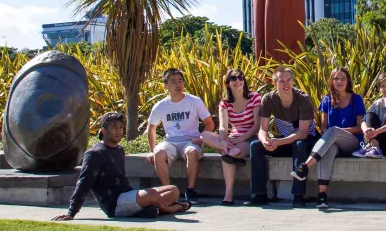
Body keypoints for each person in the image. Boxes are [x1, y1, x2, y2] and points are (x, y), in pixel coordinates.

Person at [52, 112, 190, 222]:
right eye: (113, 128)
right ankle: (168, 209)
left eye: (120, 127)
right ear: (103, 131)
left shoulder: (119, 150)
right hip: (114, 203)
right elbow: (84, 183)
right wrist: (72, 212)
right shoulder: (95, 154)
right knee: (152, 194)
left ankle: (150, 209)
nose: (118, 131)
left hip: (128, 195)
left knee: (173, 190)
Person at [290, 67, 365, 209]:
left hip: (352, 142)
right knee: (328, 151)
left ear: (348, 80)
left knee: (334, 131)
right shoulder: (327, 100)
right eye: (336, 78)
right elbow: (323, 126)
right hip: (333, 142)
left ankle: (306, 166)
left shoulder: (357, 99)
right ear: (332, 81)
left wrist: (337, 132)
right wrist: (331, 134)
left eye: (343, 78)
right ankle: (322, 196)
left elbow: (359, 127)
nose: (340, 81)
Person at [246, 66, 319, 208]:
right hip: (285, 140)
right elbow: (262, 129)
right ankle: (259, 195)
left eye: (289, 80)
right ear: (274, 82)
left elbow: (303, 133)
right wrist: (265, 140)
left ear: (293, 81)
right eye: (281, 81)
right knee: (255, 146)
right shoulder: (268, 99)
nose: (286, 84)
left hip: (306, 140)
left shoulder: (303, 98)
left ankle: (298, 196)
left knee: (300, 145)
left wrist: (279, 142)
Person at [146, 68, 215, 204]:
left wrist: (201, 138)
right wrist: (151, 150)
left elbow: (210, 124)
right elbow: (151, 127)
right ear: (166, 86)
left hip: (190, 140)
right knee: (158, 153)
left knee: (192, 151)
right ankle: (169, 191)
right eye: (173, 82)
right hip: (170, 141)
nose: (178, 85)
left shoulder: (194, 101)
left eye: (180, 81)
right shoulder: (160, 105)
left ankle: (190, 190)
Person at [198, 68, 262, 205]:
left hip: (251, 138)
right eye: (233, 78)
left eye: (240, 78)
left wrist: (239, 140)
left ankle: (228, 195)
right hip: (232, 139)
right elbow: (223, 126)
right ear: (228, 83)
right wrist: (222, 140)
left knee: (229, 153)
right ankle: (229, 152)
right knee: (204, 135)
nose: (238, 81)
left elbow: (256, 126)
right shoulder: (225, 103)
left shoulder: (254, 97)